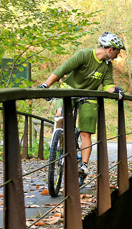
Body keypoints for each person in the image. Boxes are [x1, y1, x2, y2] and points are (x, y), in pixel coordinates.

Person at [38, 32, 126, 180]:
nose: (117, 56)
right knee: (61, 113)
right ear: (110, 49)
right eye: (117, 52)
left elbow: (108, 85)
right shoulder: (84, 55)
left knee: (86, 132)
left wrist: (116, 91)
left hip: (89, 96)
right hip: (68, 90)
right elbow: (62, 70)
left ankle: (83, 166)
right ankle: (58, 142)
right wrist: (46, 85)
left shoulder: (107, 66)